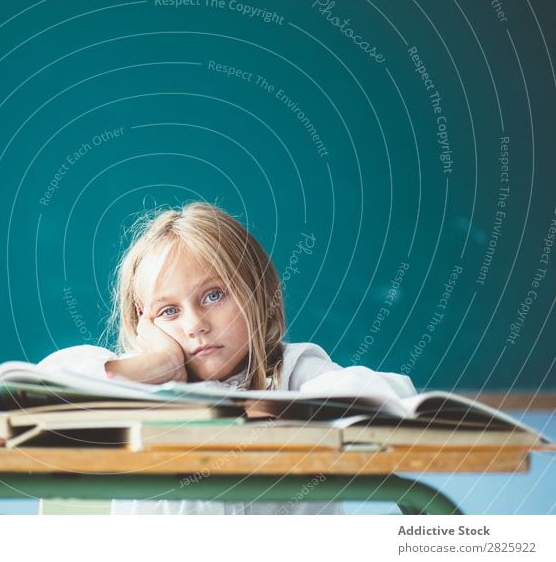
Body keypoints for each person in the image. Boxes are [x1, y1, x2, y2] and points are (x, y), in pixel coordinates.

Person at [37, 201, 416, 514]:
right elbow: (36, 392)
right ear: (144, 323)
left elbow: (392, 399)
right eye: (169, 311)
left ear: (260, 292)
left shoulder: (290, 371)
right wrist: (159, 364)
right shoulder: (129, 387)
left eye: (214, 295)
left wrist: (256, 408)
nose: (196, 325)